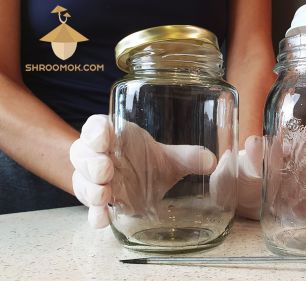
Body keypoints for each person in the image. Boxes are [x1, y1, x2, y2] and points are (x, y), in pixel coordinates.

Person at [0, 0, 275, 219]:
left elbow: (250, 49)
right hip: (36, 186)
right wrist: (88, 168)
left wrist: (241, 165)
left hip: (197, 186)